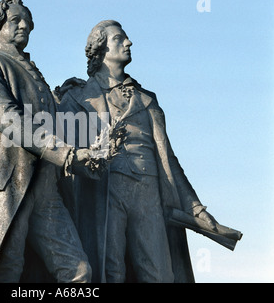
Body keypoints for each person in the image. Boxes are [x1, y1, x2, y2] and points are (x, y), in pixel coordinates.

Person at [58, 20, 218, 283]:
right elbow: (63, 149)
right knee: (110, 271)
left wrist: (196, 208)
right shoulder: (78, 97)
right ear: (101, 47)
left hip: (149, 190)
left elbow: (170, 162)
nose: (128, 43)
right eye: (119, 39)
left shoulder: (147, 99)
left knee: (160, 273)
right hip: (105, 190)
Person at [0, 0, 96, 283]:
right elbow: (9, 119)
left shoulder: (36, 76)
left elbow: (58, 125)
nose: (25, 26)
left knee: (79, 272)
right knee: (7, 270)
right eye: (16, 20)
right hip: (5, 183)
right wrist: (65, 154)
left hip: (46, 188)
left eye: (28, 22)